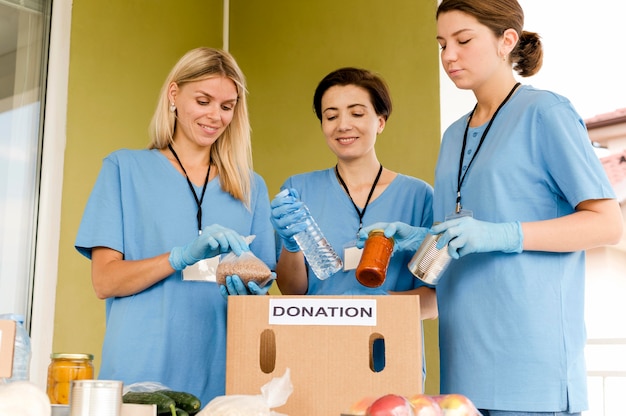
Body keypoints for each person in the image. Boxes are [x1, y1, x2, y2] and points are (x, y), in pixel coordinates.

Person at [359, 1, 624, 415]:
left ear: (507, 41)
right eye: (442, 44)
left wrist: (504, 234)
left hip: (532, 373)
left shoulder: (545, 112)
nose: (449, 56)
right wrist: (422, 241)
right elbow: (458, 245)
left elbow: (608, 224)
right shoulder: (453, 136)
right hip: (462, 376)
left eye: (464, 41)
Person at [75, 47, 276, 406]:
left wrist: (253, 298)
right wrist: (179, 256)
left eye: (227, 106)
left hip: (223, 369)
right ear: (174, 95)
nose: (215, 115)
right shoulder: (124, 170)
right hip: (141, 369)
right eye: (203, 100)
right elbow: (104, 281)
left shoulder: (250, 187)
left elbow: (261, 283)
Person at [270, 67, 437, 319]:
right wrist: (291, 247)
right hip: (316, 345)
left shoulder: (418, 196)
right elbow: (292, 292)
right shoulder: (298, 191)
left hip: (391, 348)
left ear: (380, 122)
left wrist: (373, 306)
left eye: (357, 113)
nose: (343, 125)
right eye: (331, 116)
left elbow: (433, 301)